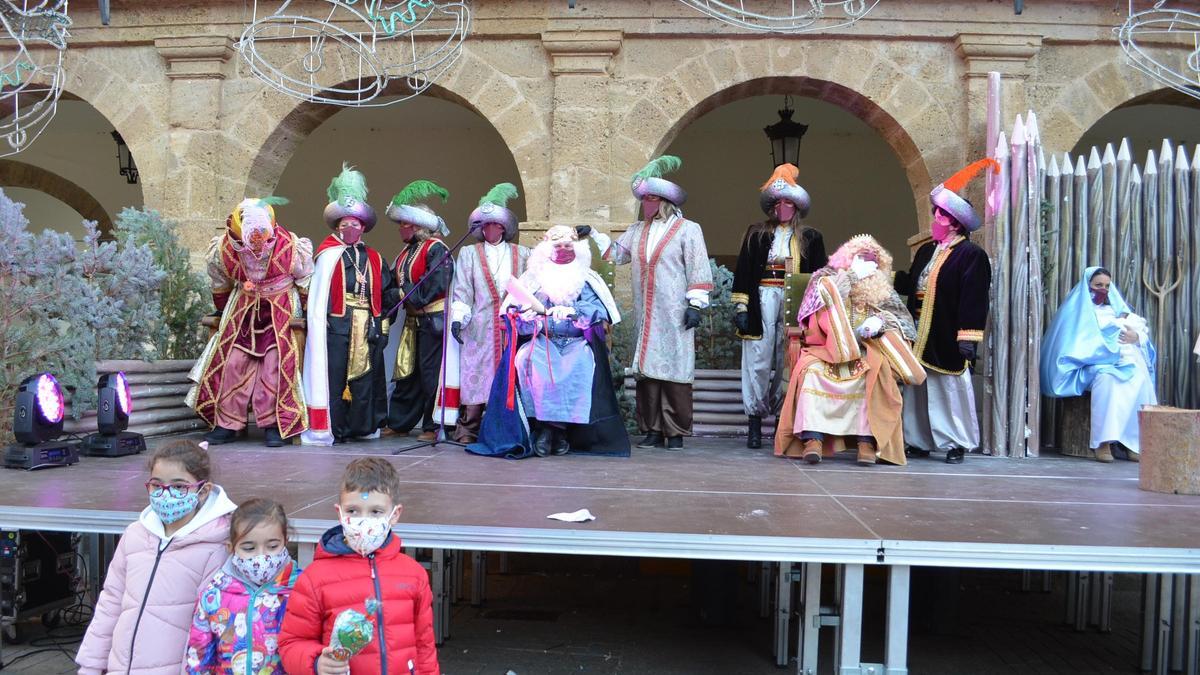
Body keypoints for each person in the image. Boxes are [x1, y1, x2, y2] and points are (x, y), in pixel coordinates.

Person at [467, 225, 629, 459]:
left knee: (580, 366)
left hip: (575, 344)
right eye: (557, 246)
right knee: (527, 361)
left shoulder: (586, 278)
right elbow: (513, 312)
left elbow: (598, 310)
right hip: (542, 342)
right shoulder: (533, 278)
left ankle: (557, 432)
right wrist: (527, 318)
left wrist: (573, 311)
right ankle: (545, 429)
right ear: (546, 249)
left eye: (568, 246)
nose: (563, 250)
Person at [76, 440, 237, 675]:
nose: (166, 493)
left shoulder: (215, 547)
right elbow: (109, 604)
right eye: (157, 485)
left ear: (203, 491)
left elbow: (208, 628)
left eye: (179, 486)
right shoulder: (135, 535)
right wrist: (90, 666)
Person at [589, 155, 713, 450]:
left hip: (674, 313)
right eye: (643, 199)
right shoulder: (636, 231)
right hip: (647, 314)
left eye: (649, 199)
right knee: (648, 371)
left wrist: (695, 305)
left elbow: (698, 268)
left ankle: (675, 431)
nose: (644, 204)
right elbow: (617, 256)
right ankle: (653, 429)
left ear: (663, 201)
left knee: (674, 370)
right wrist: (592, 234)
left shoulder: (688, 230)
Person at [278, 457, 439, 675]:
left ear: (395, 515)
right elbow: (292, 643)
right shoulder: (314, 578)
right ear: (340, 513)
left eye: (375, 512)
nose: (363, 521)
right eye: (353, 511)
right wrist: (316, 662)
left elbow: (424, 645)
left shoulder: (414, 575)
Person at [775, 235, 924, 466]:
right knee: (812, 372)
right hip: (825, 350)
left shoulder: (883, 289)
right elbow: (811, 309)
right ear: (848, 257)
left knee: (874, 375)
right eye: (862, 258)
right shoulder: (824, 278)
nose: (869, 263)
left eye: (874, 260)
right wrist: (850, 277)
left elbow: (903, 322)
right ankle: (812, 440)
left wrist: (881, 323)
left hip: (867, 351)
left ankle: (866, 441)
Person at [189, 197, 314, 448]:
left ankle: (273, 425)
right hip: (243, 308)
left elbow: (305, 281)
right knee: (232, 361)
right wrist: (223, 311)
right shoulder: (223, 248)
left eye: (262, 238)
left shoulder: (291, 245)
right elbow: (220, 284)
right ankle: (227, 424)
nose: (257, 246)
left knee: (274, 364)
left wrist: (307, 315)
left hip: (280, 309)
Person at [895, 158, 996, 464]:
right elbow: (913, 282)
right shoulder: (927, 250)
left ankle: (956, 442)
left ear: (953, 221)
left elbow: (974, 299)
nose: (934, 218)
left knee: (949, 389)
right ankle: (918, 439)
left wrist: (968, 338)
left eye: (939, 214)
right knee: (917, 388)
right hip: (918, 329)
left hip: (946, 330)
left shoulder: (971, 255)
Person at [302, 164, 400, 445]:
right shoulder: (326, 255)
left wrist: (384, 320)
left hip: (367, 326)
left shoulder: (375, 257)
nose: (350, 227)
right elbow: (315, 292)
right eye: (344, 223)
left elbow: (387, 291)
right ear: (336, 226)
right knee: (335, 378)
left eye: (355, 223)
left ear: (363, 227)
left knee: (366, 379)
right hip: (336, 326)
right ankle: (338, 427)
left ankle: (362, 426)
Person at [732, 164, 828, 449]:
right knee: (757, 362)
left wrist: (814, 315)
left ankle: (780, 423)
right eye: (778, 202)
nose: (783, 207)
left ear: (797, 206)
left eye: (788, 202)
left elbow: (817, 278)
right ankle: (754, 423)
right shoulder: (756, 233)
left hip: (792, 305)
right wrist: (741, 307)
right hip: (761, 300)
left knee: (786, 361)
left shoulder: (811, 237)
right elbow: (744, 271)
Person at [1041, 266, 1157, 462]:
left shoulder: (1116, 311)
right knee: (1107, 381)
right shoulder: (1077, 311)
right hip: (1090, 364)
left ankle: (1132, 442)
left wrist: (1135, 337)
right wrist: (1107, 346)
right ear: (1088, 286)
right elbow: (1073, 345)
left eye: (1107, 286)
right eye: (1098, 285)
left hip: (1122, 362)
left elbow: (1141, 336)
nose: (1102, 289)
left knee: (1139, 379)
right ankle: (1103, 443)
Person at [449, 182, 530, 443]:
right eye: (484, 225)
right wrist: (459, 317)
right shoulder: (469, 253)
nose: (488, 229)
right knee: (475, 375)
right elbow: (463, 289)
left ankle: (508, 428)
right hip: (479, 326)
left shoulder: (523, 254)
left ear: (503, 227)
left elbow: (531, 289)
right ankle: (468, 429)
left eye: (493, 224)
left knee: (512, 375)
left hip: (512, 325)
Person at [186, 497, 301, 674]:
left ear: (285, 541)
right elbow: (199, 654)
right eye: (249, 548)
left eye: (272, 546)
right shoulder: (215, 594)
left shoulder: (300, 590)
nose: (261, 556)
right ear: (231, 548)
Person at [386, 180, 455, 440]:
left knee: (429, 374)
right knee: (406, 372)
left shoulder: (437, 249)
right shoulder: (405, 253)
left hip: (433, 320)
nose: (401, 229)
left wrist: (406, 295)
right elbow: (393, 284)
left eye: (405, 224)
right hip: (413, 321)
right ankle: (400, 421)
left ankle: (432, 425)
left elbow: (435, 282)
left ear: (418, 227)